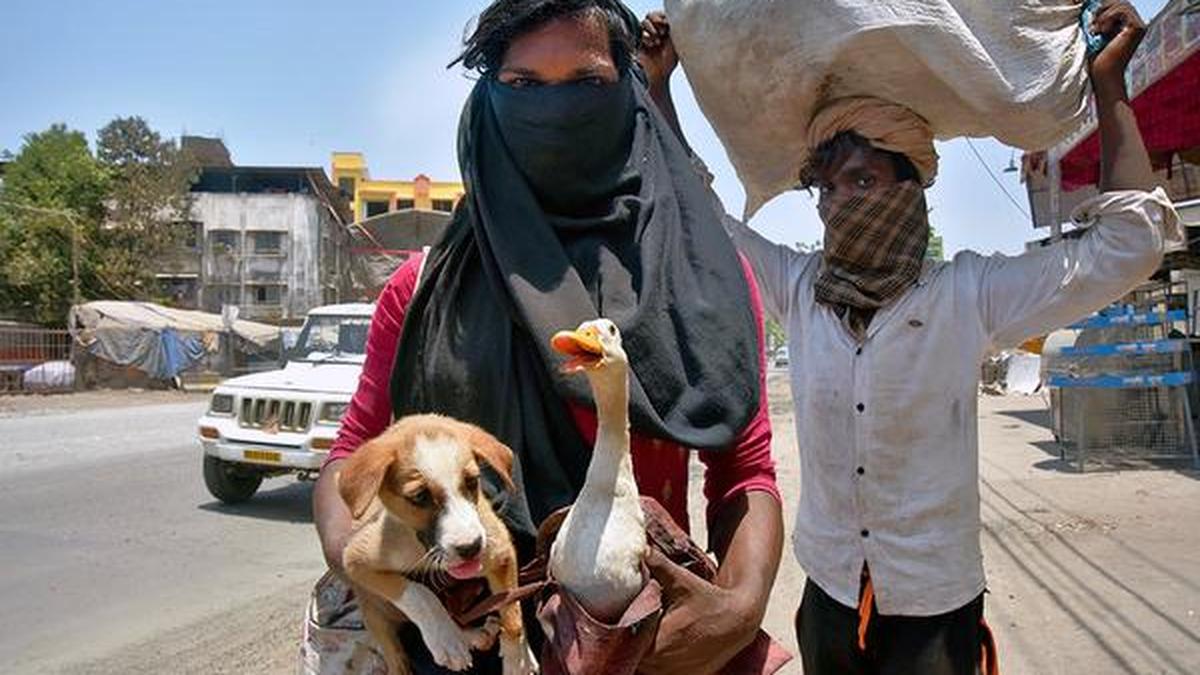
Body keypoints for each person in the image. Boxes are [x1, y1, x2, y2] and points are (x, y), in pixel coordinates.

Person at [639, 3, 1182, 674]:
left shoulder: (966, 295)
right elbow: (701, 215)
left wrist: (1107, 84)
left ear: (911, 185)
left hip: (935, 609)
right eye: (826, 188)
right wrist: (659, 87)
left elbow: (1129, 244)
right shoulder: (801, 289)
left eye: (863, 180)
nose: (840, 203)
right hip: (829, 595)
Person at [303, 2, 786, 674]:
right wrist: (360, 562)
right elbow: (353, 452)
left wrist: (739, 608)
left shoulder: (703, 288)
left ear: (629, 94)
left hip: (641, 646)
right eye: (524, 84)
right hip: (467, 647)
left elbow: (744, 472)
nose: (554, 113)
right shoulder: (421, 291)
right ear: (488, 103)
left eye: (586, 82)